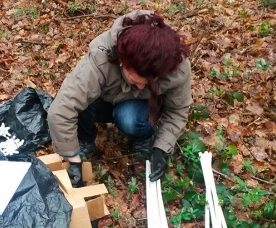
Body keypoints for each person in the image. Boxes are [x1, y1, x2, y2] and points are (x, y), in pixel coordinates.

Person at [47, 10, 193, 187]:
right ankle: (85, 140)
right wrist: (72, 158)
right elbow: (62, 110)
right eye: (135, 80)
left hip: (138, 108)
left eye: (147, 83)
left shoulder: (176, 67)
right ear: (122, 62)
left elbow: (178, 110)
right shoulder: (102, 56)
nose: (140, 86)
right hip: (105, 100)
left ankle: (143, 137)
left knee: (129, 118)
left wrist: (160, 148)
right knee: (82, 99)